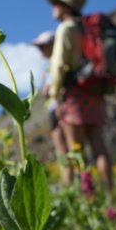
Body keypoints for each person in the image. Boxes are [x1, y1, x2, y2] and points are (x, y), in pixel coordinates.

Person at [42, 0, 113, 193]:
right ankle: (109, 192)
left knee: (76, 149)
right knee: (98, 145)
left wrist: (53, 91)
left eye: (56, 4)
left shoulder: (66, 28)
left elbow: (59, 64)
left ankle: (86, 196)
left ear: (65, 7)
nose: (53, 7)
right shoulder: (87, 28)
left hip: (73, 93)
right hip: (94, 91)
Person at [32, 30, 68, 162]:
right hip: (57, 106)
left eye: (42, 46)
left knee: (63, 148)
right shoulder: (50, 64)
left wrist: (46, 89)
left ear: (53, 45)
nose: (40, 50)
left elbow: (49, 90)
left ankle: (71, 180)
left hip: (58, 106)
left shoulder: (56, 62)